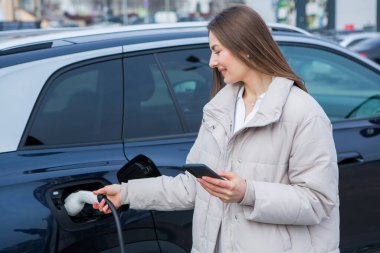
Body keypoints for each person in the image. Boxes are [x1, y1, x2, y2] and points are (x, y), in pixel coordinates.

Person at [93, 5, 339, 253]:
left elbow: (318, 202)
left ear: (245, 47)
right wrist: (125, 194)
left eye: (217, 51)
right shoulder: (219, 110)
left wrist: (248, 193)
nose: (212, 62)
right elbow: (192, 187)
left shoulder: (304, 113)